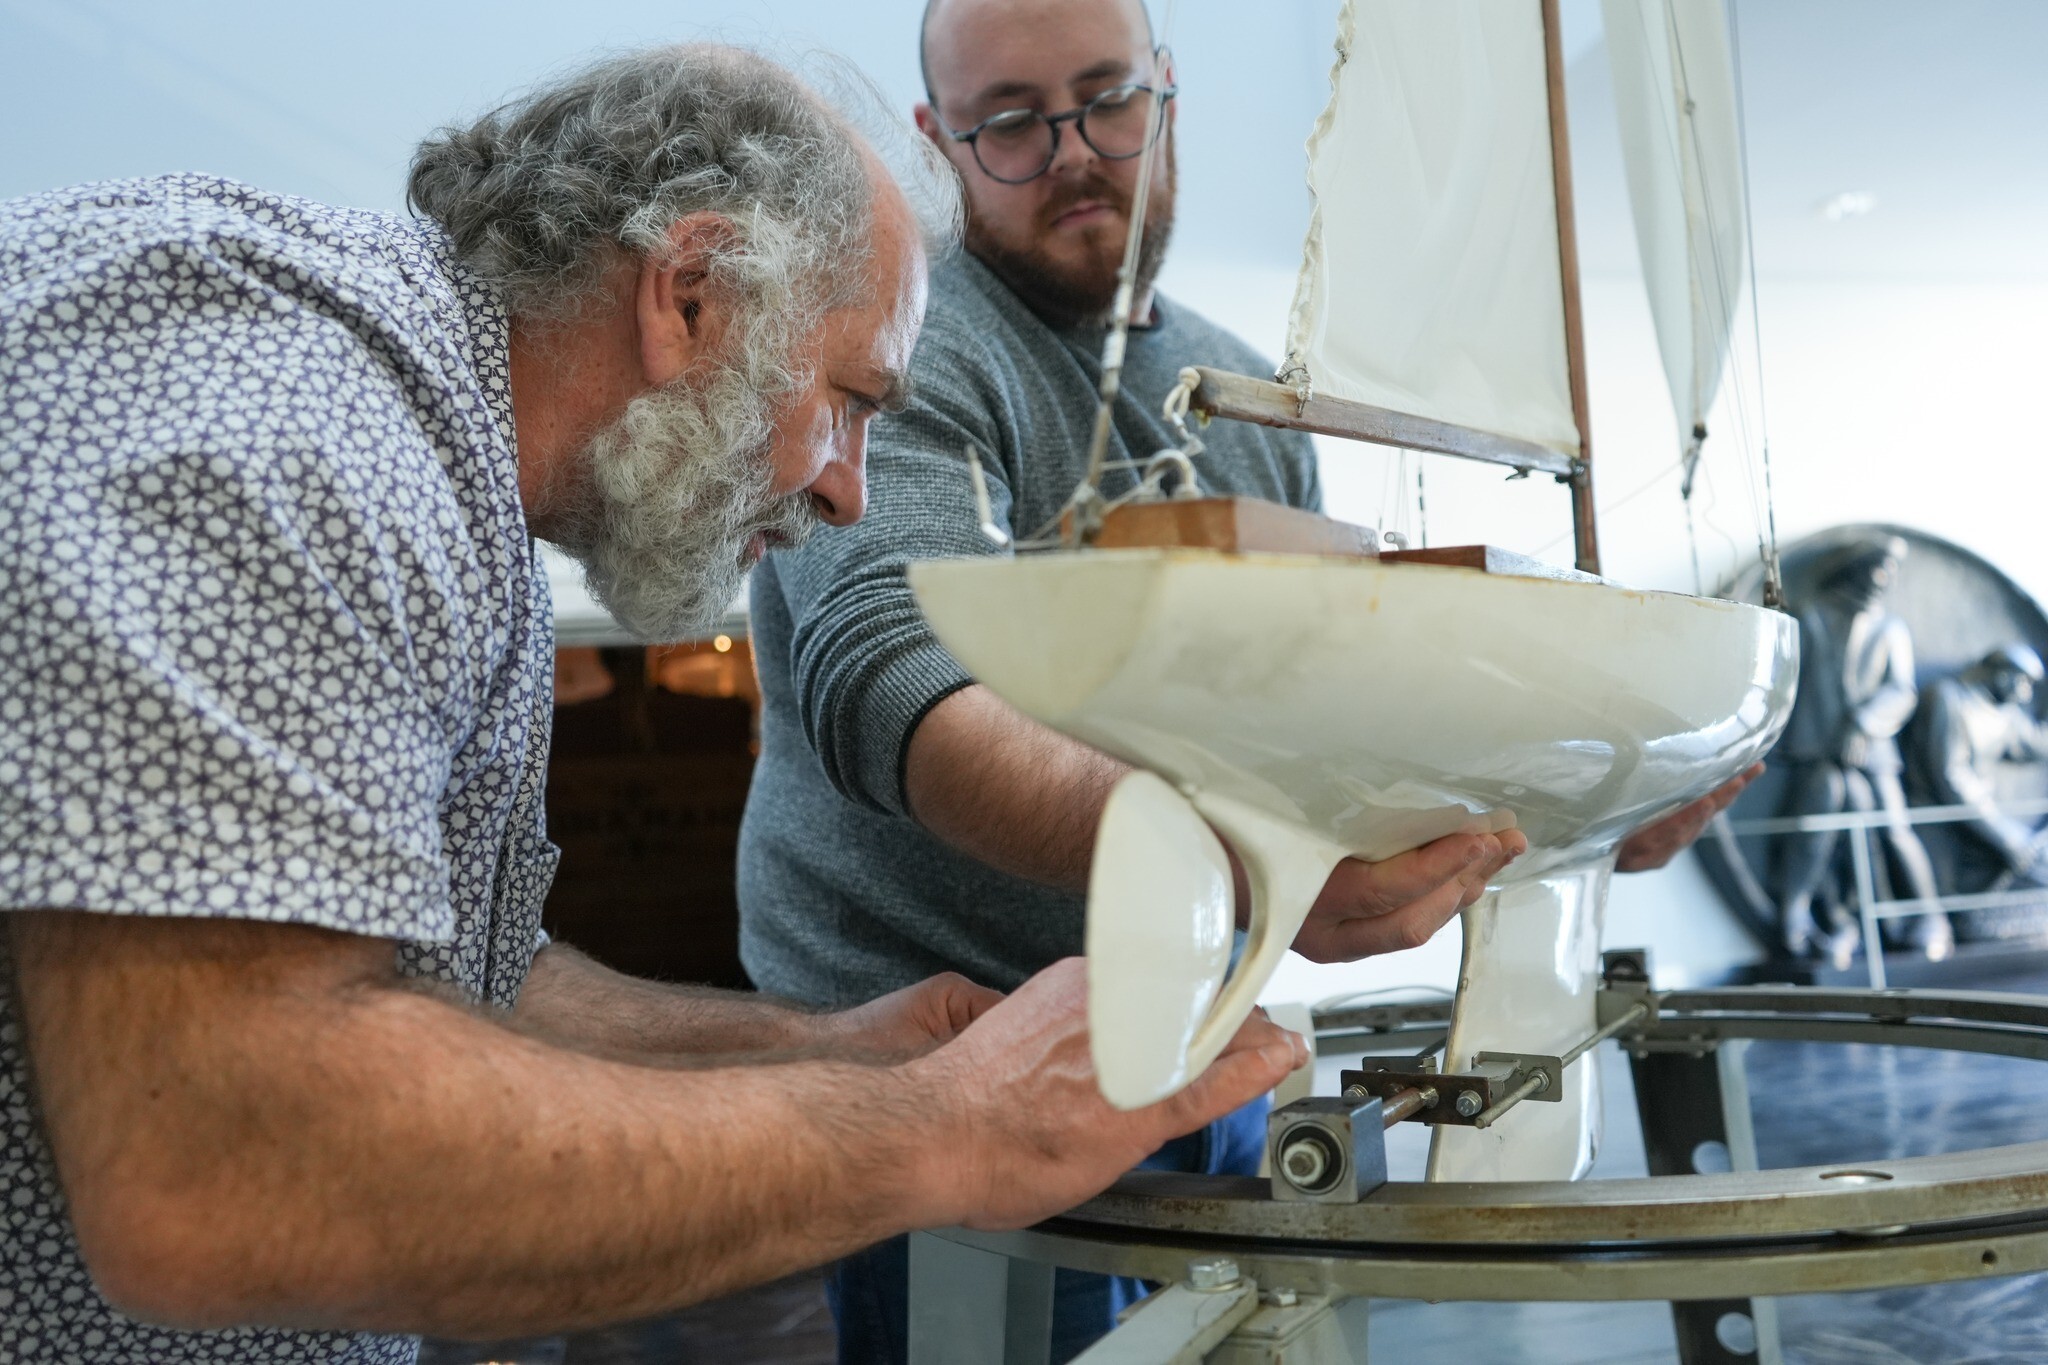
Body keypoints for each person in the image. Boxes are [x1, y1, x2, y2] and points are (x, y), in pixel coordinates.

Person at [0, 44, 1308, 1364]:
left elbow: (462, 983)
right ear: (688, 293)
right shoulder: (287, 421)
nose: (849, 489)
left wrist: (840, 1053)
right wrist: (949, 1130)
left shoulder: (455, 478)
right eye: (851, 401)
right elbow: (221, 1165)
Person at [736, 2, 1753, 1359]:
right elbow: (891, 689)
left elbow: (1315, 739)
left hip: (1201, 1025)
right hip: (931, 1048)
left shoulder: (1256, 406)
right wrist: (1252, 865)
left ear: (1169, 92)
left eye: (1106, 100)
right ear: (937, 144)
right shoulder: (902, 356)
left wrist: (1569, 807)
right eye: (1012, 124)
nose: (1074, 152)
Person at [1773, 535, 1952, 966]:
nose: (1883, 580)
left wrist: (1862, 726)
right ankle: (1809, 915)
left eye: (1889, 572)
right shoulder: (1812, 616)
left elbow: (1900, 690)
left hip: (1873, 753)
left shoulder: (1890, 629)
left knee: (1893, 828)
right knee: (1820, 818)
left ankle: (1931, 917)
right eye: (1876, 568)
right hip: (1817, 751)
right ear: (1853, 570)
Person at [1918, 643, 2048, 885]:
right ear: (2002, 675)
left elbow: (2038, 744)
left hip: (1982, 823)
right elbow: (1952, 779)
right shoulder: (1950, 700)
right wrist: (2005, 836)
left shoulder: (2004, 714)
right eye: (2024, 683)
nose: (2027, 694)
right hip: (1942, 826)